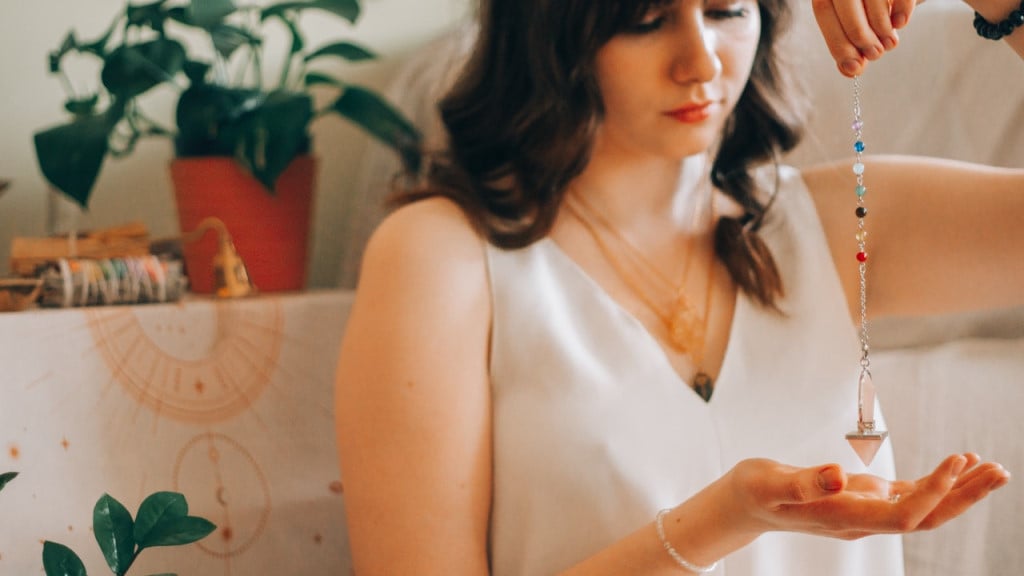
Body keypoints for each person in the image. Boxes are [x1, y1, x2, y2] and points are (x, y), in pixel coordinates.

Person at [334, 0, 1021, 573]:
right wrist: (718, 522)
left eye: (726, 9)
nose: (702, 62)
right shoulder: (442, 256)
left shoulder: (844, 220)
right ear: (551, 34)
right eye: (644, 19)